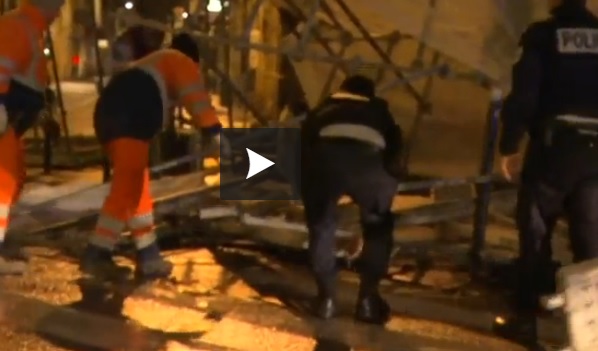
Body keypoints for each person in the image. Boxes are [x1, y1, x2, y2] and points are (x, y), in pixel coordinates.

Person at [80, 33, 224, 280]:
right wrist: (218, 138)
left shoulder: (153, 63)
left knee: (137, 188)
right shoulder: (180, 61)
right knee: (126, 188)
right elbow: (198, 104)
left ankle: (148, 255)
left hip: (114, 116)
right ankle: (97, 253)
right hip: (129, 118)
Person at [499, 0, 598, 315]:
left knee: (536, 233)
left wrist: (509, 144)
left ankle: (526, 321)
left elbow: (525, 93)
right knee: (591, 244)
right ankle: (590, 330)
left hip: (555, 148)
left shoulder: (543, 35)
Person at [301, 75, 402, 324]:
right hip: (371, 167)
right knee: (377, 230)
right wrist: (386, 186)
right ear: (369, 95)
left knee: (322, 228)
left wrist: (309, 189)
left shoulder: (321, 111)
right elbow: (396, 153)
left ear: (341, 91)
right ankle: (368, 301)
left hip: (325, 162)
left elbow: (303, 148)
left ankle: (326, 299)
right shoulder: (382, 114)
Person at [0, 0, 65, 275]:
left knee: (13, 180)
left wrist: (43, 116)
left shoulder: (29, 29)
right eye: (58, 6)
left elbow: (30, 81)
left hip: (12, 120)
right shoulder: (18, 26)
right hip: (5, 117)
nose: (59, 13)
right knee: (3, 184)